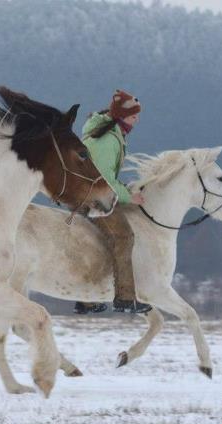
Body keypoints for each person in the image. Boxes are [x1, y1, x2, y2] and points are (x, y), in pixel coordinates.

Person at [74, 89, 152, 315]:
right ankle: (126, 298)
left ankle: (86, 300)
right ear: (121, 116)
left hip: (89, 193)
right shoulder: (108, 139)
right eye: (134, 115)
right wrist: (129, 196)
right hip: (92, 198)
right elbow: (104, 178)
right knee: (124, 236)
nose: (137, 119)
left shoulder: (109, 132)